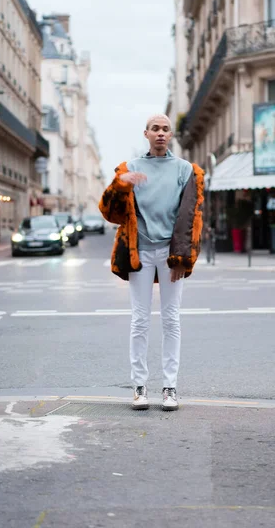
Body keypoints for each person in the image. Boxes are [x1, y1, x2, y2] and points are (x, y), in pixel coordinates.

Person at [99, 114, 204, 411]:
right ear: (146, 133)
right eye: (155, 129)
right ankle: (139, 387)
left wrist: (183, 258)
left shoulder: (185, 170)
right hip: (140, 251)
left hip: (170, 254)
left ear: (171, 135)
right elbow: (109, 211)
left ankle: (170, 387)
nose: (160, 133)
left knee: (171, 320)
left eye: (165, 129)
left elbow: (190, 218)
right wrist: (121, 184)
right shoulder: (130, 168)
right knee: (140, 319)